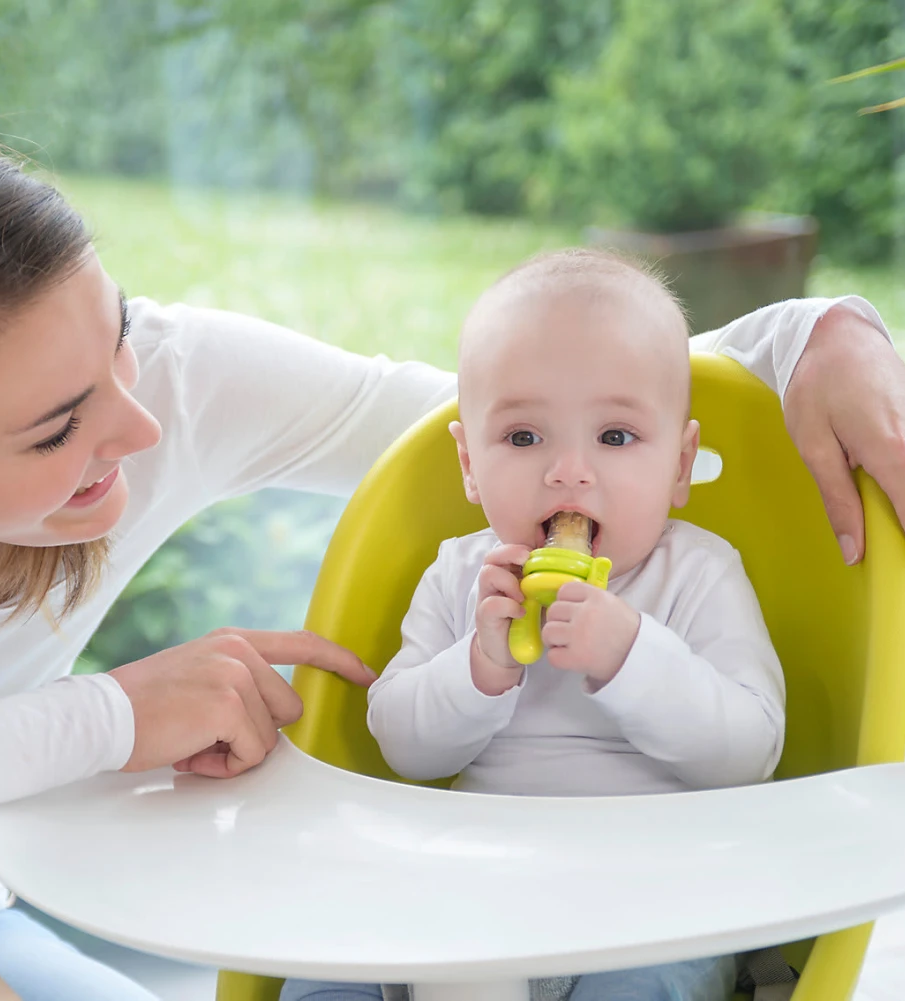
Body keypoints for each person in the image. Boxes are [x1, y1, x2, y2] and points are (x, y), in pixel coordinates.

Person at [0, 124, 905, 1001]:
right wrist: (108, 718)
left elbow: (527, 412)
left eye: (116, 333)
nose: (141, 425)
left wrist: (820, 331)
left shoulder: (161, 384)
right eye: (57, 427)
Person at [281, 250, 783, 1001]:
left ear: (680, 465)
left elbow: (749, 754)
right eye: (523, 438)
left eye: (615, 437)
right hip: (471, 887)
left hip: (651, 900)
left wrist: (632, 655)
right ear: (468, 463)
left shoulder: (699, 573)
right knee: (322, 969)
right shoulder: (462, 575)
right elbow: (405, 748)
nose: (568, 471)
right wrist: (479, 666)